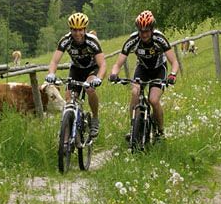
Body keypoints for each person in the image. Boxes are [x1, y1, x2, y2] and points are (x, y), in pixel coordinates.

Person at [108, 10, 179, 141]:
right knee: (135, 92)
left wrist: (172, 75)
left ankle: (160, 131)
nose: (144, 34)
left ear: (152, 29)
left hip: (159, 69)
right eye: (141, 31)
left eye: (146, 31)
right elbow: (118, 63)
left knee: (153, 100)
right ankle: (133, 127)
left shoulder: (159, 39)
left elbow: (174, 62)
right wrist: (114, 74)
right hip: (142, 69)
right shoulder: (133, 40)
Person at [45, 12, 106, 140]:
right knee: (69, 100)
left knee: (89, 89)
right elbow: (54, 61)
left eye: (80, 30)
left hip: (92, 69)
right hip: (76, 69)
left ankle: (95, 118)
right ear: (70, 29)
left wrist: (98, 78)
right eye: (74, 30)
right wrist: (51, 73)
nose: (77, 33)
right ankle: (67, 130)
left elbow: (102, 64)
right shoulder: (66, 40)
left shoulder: (92, 41)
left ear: (85, 29)